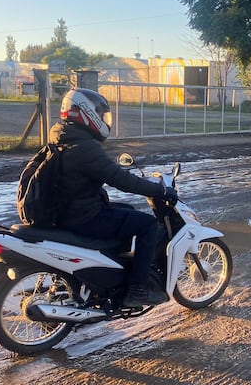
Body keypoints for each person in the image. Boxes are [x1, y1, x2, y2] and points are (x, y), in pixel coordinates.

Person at [49, 88, 177, 308]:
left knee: (128, 210)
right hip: (83, 216)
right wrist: (160, 191)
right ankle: (137, 290)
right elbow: (121, 179)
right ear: (85, 113)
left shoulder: (61, 135)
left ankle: (110, 275)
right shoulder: (85, 148)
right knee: (146, 225)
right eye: (100, 115)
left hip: (68, 209)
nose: (103, 120)